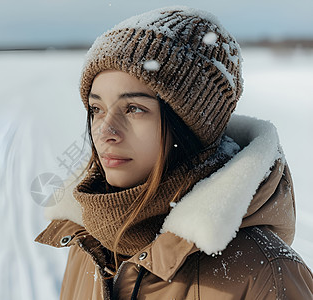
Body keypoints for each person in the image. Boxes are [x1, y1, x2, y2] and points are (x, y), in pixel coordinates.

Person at [35, 6, 313, 299]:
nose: (105, 131)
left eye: (134, 109)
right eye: (96, 109)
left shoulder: (266, 274)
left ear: (191, 126)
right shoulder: (87, 242)